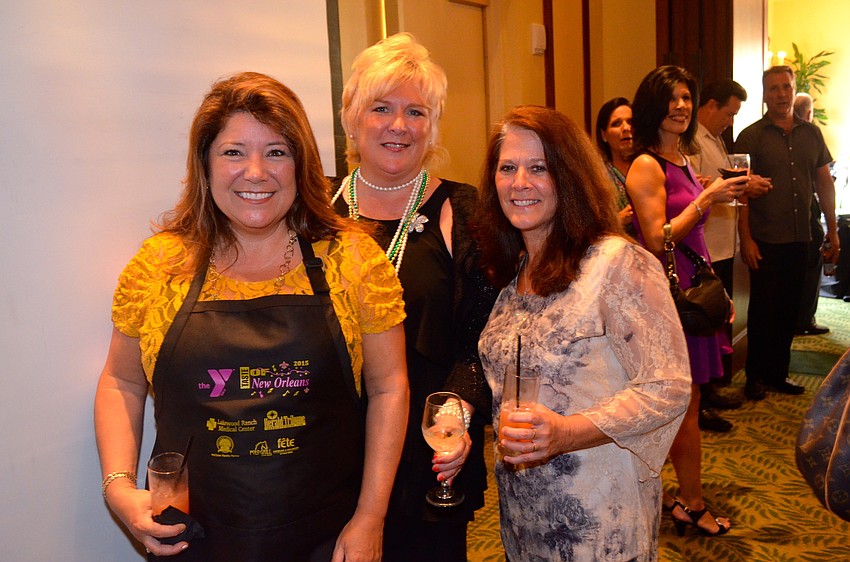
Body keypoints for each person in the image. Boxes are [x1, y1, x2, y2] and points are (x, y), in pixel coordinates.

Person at [94, 72, 409, 561]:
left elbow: (390, 388)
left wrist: (371, 517)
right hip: (189, 539)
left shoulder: (353, 261)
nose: (256, 172)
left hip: (326, 539)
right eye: (233, 152)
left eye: (277, 152)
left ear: (301, 164)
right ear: (205, 165)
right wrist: (118, 486)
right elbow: (121, 381)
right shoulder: (159, 267)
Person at [476, 105, 691, 561]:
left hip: (599, 518)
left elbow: (668, 386)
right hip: (524, 514)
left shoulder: (616, 263)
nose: (520, 183)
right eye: (507, 168)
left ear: (570, 176)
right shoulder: (517, 269)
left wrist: (567, 432)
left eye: (539, 168)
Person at [333, 33, 496, 562]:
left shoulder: (464, 211)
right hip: (328, 448)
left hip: (426, 447)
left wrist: (457, 415)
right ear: (351, 117)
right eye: (381, 108)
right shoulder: (314, 209)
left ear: (433, 125)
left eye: (416, 111)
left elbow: (484, 339)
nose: (399, 125)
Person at [626, 65, 746, 536]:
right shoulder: (646, 164)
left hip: (692, 291)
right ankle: (691, 504)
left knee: (686, 403)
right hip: (665, 297)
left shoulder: (682, 158)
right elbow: (658, 238)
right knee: (683, 404)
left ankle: (679, 496)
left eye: (686, 98)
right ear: (653, 105)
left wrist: (718, 292)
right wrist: (708, 197)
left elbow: (690, 239)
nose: (681, 106)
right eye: (672, 98)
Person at [734, 66, 840, 401]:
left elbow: (823, 181)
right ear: (765, 94)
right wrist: (745, 238)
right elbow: (740, 192)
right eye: (774, 88)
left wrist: (832, 228)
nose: (781, 94)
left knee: (789, 310)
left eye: (786, 87)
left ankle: (778, 373)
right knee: (763, 311)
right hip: (765, 238)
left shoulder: (812, 134)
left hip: (801, 236)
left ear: (794, 90)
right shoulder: (751, 136)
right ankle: (755, 376)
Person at [689, 79, 758, 432]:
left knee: (717, 323)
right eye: (728, 114)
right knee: (704, 323)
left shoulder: (715, 138)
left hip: (722, 243)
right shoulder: (692, 140)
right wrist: (739, 185)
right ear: (711, 105)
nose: (731, 122)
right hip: (706, 245)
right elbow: (698, 188)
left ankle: (711, 390)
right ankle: (699, 403)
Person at [793, 92, 830, 336]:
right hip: (807, 213)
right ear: (808, 113)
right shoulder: (811, 134)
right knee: (810, 268)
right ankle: (804, 319)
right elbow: (823, 180)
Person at [594, 97, 636, 234]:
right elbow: (588, 229)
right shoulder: (598, 177)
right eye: (617, 124)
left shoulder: (653, 167)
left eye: (630, 122)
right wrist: (618, 220)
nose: (626, 128)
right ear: (604, 135)